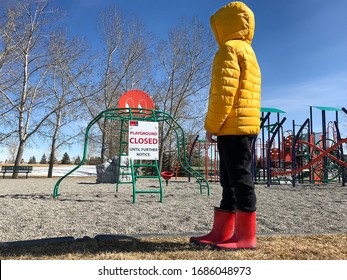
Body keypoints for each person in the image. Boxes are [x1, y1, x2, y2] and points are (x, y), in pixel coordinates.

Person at [190, 1, 261, 250]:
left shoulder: (228, 50)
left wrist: (211, 126)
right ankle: (223, 232)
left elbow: (223, 94)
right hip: (245, 126)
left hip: (232, 127)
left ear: (223, 26)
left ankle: (244, 237)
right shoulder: (249, 52)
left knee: (237, 179)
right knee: (233, 178)